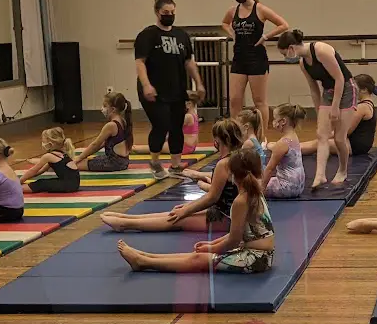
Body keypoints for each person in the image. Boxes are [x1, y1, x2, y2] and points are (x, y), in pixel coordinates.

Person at [118, 148, 274, 274]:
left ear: (232, 174)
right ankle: (144, 256)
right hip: (255, 252)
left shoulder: (242, 200)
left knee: (199, 259)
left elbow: (234, 239)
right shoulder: (253, 192)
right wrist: (212, 243)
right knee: (199, 255)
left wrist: (213, 248)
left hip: (257, 258)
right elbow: (238, 233)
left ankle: (143, 262)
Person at [100, 119, 243, 233]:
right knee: (174, 213)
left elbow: (212, 197)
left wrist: (187, 210)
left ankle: (125, 224)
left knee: (176, 219)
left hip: (226, 217)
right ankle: (127, 218)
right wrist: (188, 207)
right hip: (226, 211)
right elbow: (221, 193)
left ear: (221, 140)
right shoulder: (236, 158)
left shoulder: (224, 163)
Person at [136, 0, 206, 180]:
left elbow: (189, 62)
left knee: (176, 125)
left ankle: (176, 165)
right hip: (154, 89)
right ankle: (154, 161)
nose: (169, 15)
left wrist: (199, 83)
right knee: (161, 124)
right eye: (165, 12)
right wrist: (146, 85)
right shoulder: (147, 35)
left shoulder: (181, 35)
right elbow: (140, 62)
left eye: (172, 12)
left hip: (176, 89)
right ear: (157, 12)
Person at [277, 29, 357, 188]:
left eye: (284, 54)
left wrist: (335, 107)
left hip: (347, 89)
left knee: (339, 138)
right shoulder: (303, 63)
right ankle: (320, 175)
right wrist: (319, 110)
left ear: (291, 48)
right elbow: (314, 89)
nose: (285, 57)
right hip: (328, 91)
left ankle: (342, 170)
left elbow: (340, 79)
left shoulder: (321, 50)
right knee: (322, 134)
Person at [222, 0, 288, 142]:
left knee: (259, 100)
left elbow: (283, 24)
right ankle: (236, 136)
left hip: (256, 59)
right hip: (239, 58)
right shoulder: (233, 11)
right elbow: (224, 23)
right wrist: (232, 34)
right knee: (235, 99)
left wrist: (265, 36)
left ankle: (261, 137)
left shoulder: (260, 9)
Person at [289, 73, 377, 157]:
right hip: (358, 144)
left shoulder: (362, 107)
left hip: (355, 146)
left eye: (354, 88)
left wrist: (326, 135)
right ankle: (288, 148)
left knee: (319, 143)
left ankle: (287, 150)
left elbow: (346, 131)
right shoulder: (368, 104)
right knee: (320, 141)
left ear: (364, 90)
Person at [73, 92, 133, 172]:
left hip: (114, 163)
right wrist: (84, 157)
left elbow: (95, 145)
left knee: (74, 165)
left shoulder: (111, 125)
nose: (101, 109)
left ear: (113, 109)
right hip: (123, 161)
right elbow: (101, 144)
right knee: (87, 160)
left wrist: (78, 158)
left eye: (105, 106)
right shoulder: (123, 121)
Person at [132, 90, 201, 156]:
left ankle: (131, 149)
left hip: (184, 147)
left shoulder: (188, 116)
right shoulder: (194, 115)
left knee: (151, 148)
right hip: (189, 147)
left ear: (189, 104)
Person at [263, 103, 306, 199]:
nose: (273, 122)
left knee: (252, 185)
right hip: (299, 186)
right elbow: (280, 148)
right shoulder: (293, 137)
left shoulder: (282, 143)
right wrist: (271, 146)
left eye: (274, 119)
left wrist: (260, 191)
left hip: (286, 188)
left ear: (283, 121)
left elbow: (270, 169)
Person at [20, 127, 80, 194]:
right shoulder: (62, 153)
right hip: (73, 184)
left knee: (41, 183)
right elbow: (41, 171)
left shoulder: (48, 156)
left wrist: (19, 181)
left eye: (44, 141)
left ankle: (16, 189)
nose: (42, 143)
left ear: (50, 143)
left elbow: (33, 170)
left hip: (68, 185)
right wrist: (26, 178)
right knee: (43, 182)